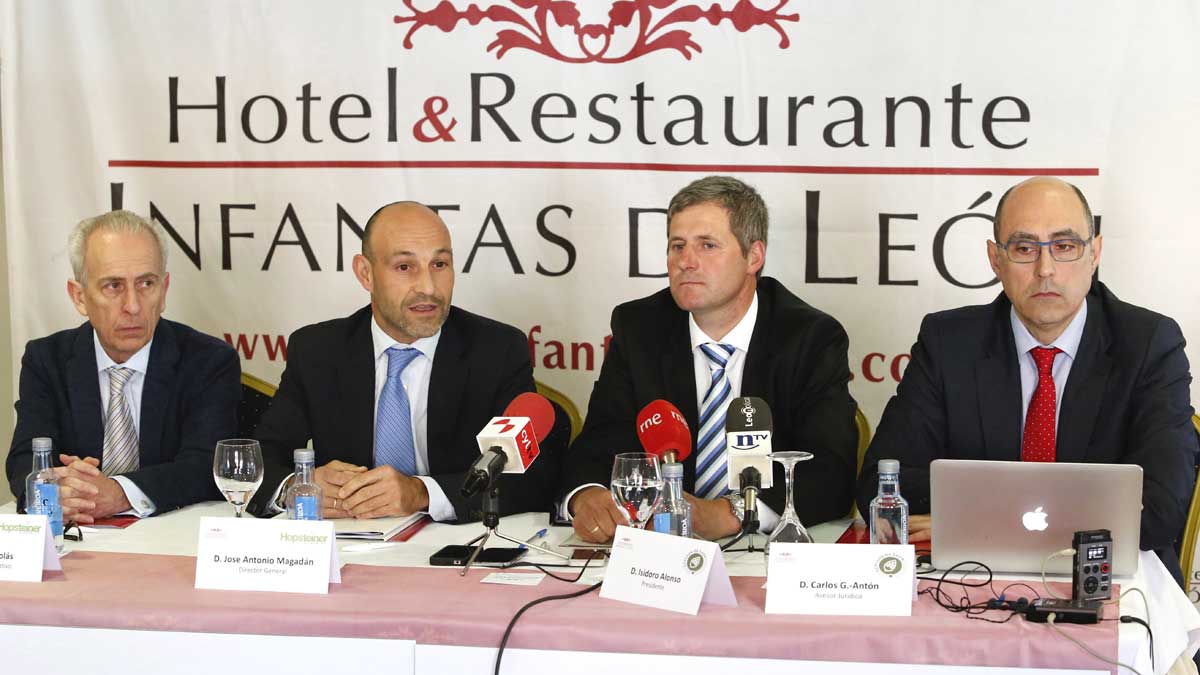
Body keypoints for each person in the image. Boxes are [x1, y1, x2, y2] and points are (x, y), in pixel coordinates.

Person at [857, 176, 1197, 583]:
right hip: (973, 579)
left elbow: (1162, 509)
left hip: (1113, 580)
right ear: (995, 259)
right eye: (1023, 248)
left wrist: (984, 518)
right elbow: (881, 485)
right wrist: (1065, 511)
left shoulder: (1148, 345)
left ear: (1095, 254)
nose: (1045, 269)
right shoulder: (949, 344)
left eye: (1065, 246)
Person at [561, 176, 858, 543]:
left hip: (762, 547)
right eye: (677, 245)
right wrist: (587, 495)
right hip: (661, 550)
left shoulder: (809, 338)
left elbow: (831, 473)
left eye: (708, 245)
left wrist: (734, 512)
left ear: (754, 256)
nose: (686, 262)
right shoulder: (639, 328)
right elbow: (598, 445)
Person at [249, 201, 566, 521]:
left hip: (449, 548)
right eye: (405, 267)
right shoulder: (318, 350)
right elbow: (259, 459)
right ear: (366, 273)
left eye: (440, 264)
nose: (428, 287)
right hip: (345, 547)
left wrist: (422, 493)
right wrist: (297, 486)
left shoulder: (496, 350)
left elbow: (533, 477)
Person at [5, 210, 239, 522]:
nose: (133, 305)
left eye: (146, 283)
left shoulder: (208, 361)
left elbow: (206, 467)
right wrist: (58, 490)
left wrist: (118, 492)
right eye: (113, 286)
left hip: (171, 540)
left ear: (164, 289)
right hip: (79, 539)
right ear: (79, 297)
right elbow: (25, 460)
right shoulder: (47, 360)